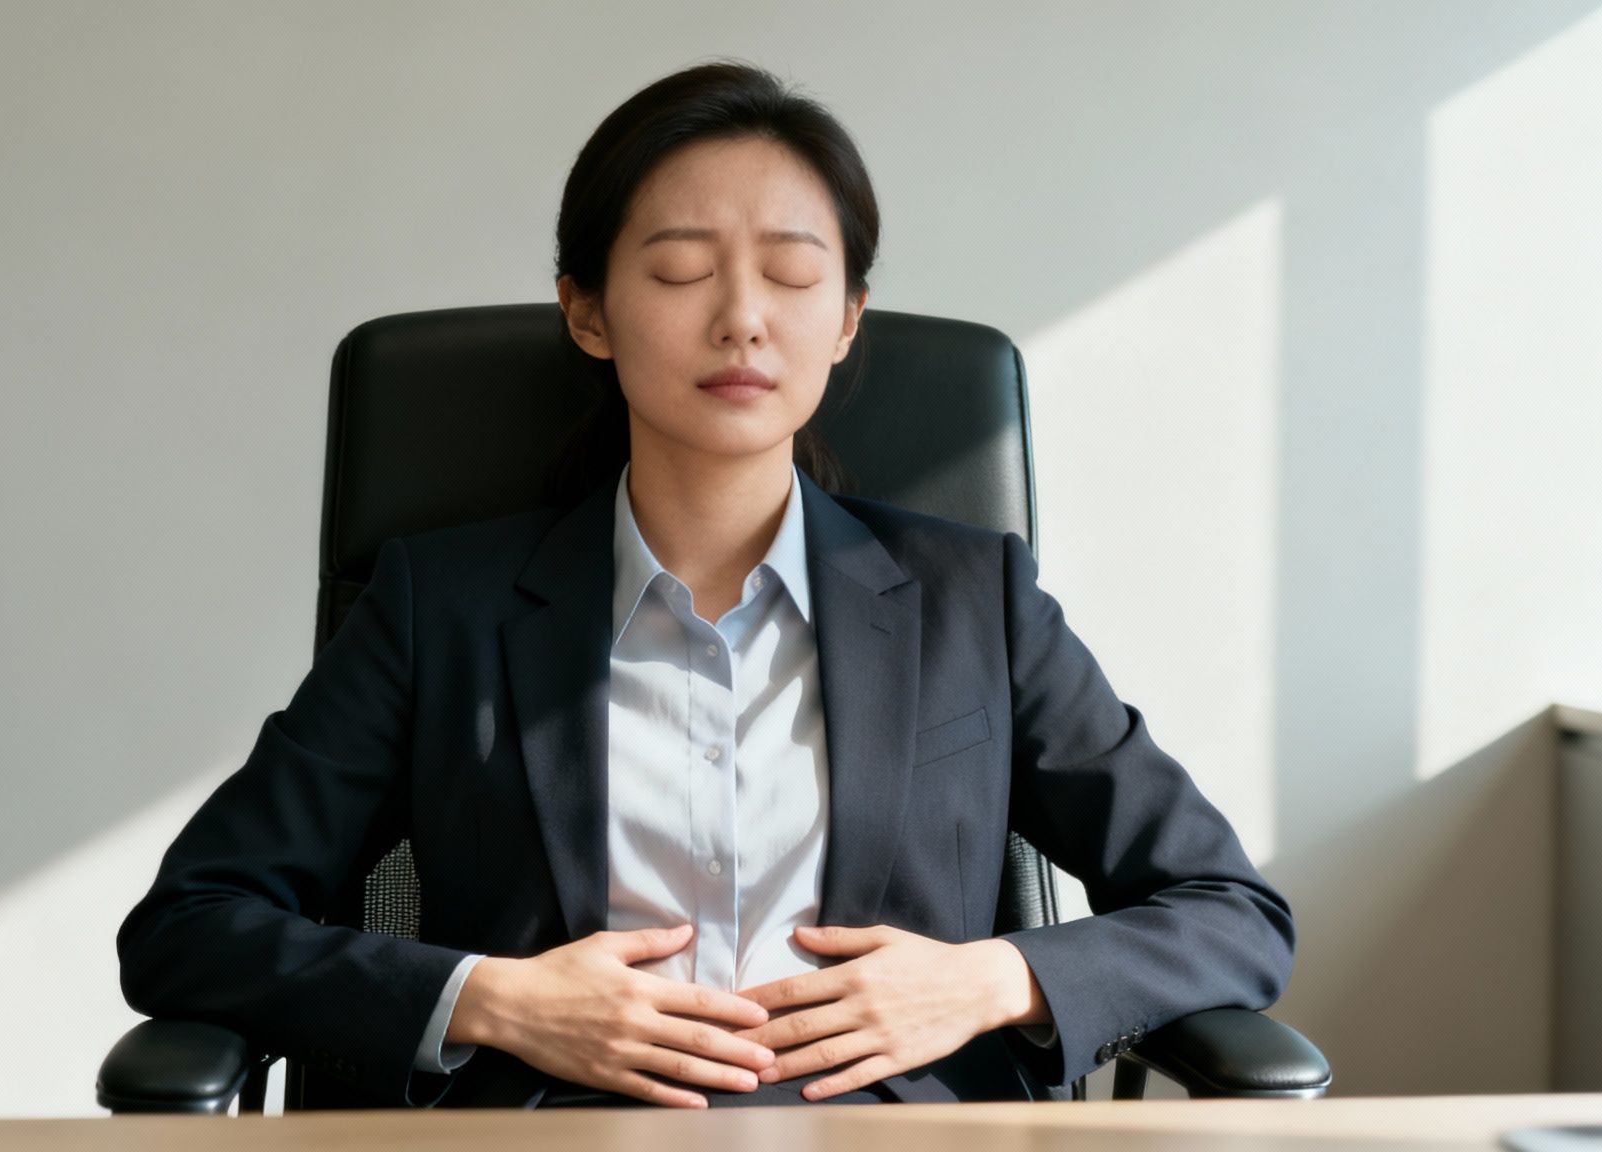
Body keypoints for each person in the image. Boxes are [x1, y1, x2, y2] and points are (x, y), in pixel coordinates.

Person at [116, 59, 1295, 1112]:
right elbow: (191, 928)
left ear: (845, 322)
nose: (741, 321)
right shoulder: (444, 608)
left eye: (791, 275)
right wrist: (494, 1000)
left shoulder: (967, 597)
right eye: (680, 271)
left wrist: (986, 980)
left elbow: (1227, 909)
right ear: (587, 311)